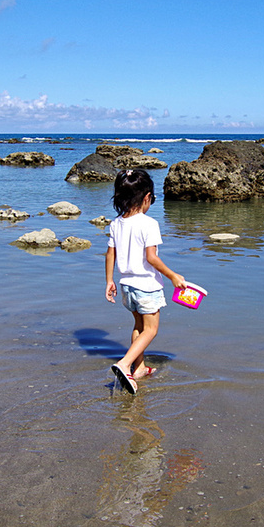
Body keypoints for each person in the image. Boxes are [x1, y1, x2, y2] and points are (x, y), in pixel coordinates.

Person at [104, 168, 185, 394]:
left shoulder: (116, 223)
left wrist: (109, 280)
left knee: (139, 326)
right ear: (147, 197)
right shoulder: (148, 223)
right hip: (146, 286)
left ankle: (139, 368)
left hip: (126, 285)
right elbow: (151, 257)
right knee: (151, 330)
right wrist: (173, 276)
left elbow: (111, 253)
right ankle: (125, 364)